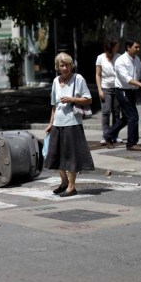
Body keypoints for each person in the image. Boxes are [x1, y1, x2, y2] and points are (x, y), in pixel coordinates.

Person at [44, 52, 94, 197]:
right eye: (62, 65)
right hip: (58, 124)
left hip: (72, 123)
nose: (65, 68)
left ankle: (71, 187)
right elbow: (53, 105)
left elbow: (88, 99)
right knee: (55, 155)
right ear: (57, 67)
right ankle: (64, 182)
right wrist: (50, 123)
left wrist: (72, 99)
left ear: (71, 66)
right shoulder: (55, 81)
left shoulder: (78, 79)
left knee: (70, 156)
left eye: (67, 65)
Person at [104, 39, 141, 151]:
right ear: (128, 47)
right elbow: (127, 79)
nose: (138, 49)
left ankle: (108, 135)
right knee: (133, 116)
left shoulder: (136, 59)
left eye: (138, 47)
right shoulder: (120, 61)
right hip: (122, 91)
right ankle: (131, 144)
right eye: (136, 47)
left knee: (127, 118)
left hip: (131, 91)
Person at [95, 37, 122, 145]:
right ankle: (106, 134)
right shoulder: (100, 58)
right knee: (106, 112)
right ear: (110, 47)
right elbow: (97, 74)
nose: (118, 48)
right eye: (116, 46)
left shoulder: (119, 57)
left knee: (116, 112)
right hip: (105, 87)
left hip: (117, 87)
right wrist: (99, 90)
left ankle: (115, 134)